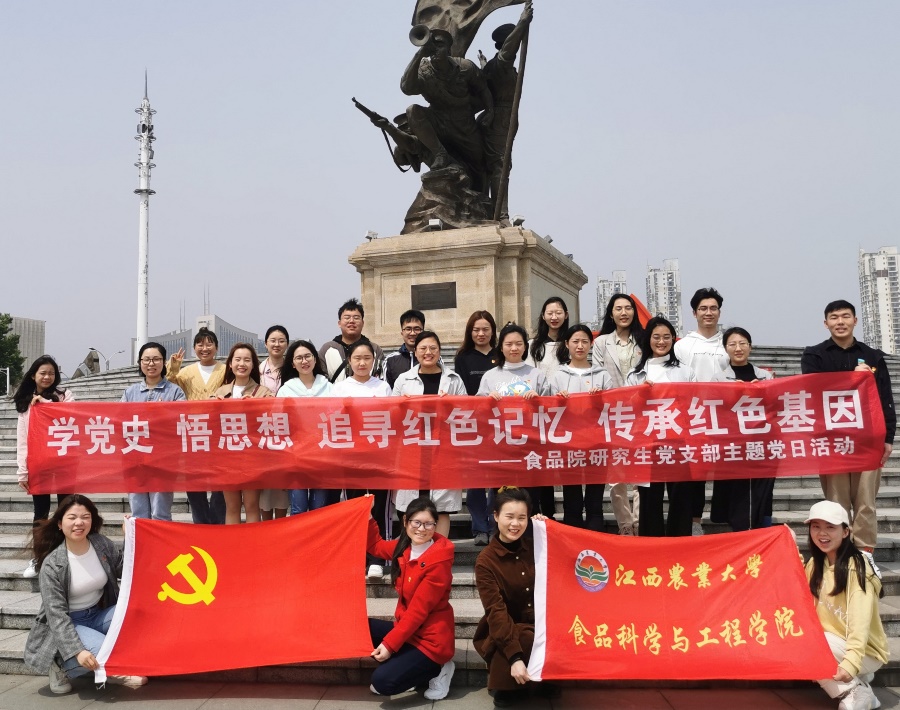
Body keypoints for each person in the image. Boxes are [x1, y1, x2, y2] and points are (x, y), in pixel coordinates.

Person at [23, 495, 147, 693]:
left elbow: (125, 569)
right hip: (70, 621)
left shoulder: (100, 544)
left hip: (98, 614)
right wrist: (78, 651)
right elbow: (57, 617)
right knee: (106, 654)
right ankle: (60, 662)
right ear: (60, 524)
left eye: (85, 517)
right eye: (72, 517)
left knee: (140, 613)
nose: (79, 522)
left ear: (92, 520)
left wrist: (129, 537)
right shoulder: (52, 565)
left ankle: (110, 665)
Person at [801, 300, 896, 553]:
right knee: (836, 501)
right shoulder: (814, 355)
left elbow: (885, 398)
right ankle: (839, 554)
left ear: (855, 320)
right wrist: (853, 378)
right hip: (832, 439)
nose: (840, 322)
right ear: (826, 323)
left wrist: (888, 437)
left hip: (869, 439)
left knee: (866, 501)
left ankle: (865, 552)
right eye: (834, 317)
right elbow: (812, 388)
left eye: (845, 316)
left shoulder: (873, 356)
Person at [366, 495, 456, 701]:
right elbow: (376, 547)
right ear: (406, 521)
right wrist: (368, 515)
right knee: (361, 627)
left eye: (428, 524)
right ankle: (408, 667)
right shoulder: (404, 547)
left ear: (436, 525)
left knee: (382, 682)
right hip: (408, 632)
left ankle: (439, 668)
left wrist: (389, 646)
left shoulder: (439, 561)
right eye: (416, 522)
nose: (422, 529)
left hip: (431, 641)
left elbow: (417, 612)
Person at [473, 487, 556, 707]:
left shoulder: (537, 547)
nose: (515, 524)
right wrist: (515, 657)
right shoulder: (486, 561)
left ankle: (538, 677)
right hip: (505, 626)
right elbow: (496, 610)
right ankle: (511, 681)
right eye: (509, 516)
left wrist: (550, 531)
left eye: (522, 517)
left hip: (541, 624)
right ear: (496, 516)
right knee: (523, 637)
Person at [805, 500, 888, 710]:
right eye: (816, 526)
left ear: (845, 532)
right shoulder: (815, 564)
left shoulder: (857, 568)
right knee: (798, 639)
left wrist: (851, 662)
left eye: (830, 527)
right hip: (835, 642)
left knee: (808, 644)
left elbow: (860, 622)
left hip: (865, 651)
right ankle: (858, 683)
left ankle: (855, 692)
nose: (822, 533)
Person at [393, 331, 466, 537]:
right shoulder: (403, 380)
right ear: (415, 352)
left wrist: (450, 404)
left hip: (442, 450)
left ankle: (438, 552)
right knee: (411, 506)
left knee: (441, 507)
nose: (428, 352)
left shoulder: (453, 379)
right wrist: (402, 405)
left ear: (439, 351)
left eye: (433, 348)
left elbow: (466, 413)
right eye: (423, 348)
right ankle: (413, 551)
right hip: (413, 449)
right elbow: (392, 415)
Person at [627, 317, 695, 537]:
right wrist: (639, 393)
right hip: (648, 443)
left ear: (673, 339)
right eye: (656, 337)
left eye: (667, 337)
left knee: (681, 496)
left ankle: (680, 542)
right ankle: (651, 545)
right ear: (648, 339)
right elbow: (627, 409)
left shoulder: (685, 372)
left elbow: (694, 404)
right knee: (649, 499)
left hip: (678, 442)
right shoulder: (635, 374)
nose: (661, 341)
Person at [478, 323, 552, 518]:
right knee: (502, 501)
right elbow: (477, 412)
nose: (514, 348)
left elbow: (552, 410)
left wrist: (539, 400)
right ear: (501, 347)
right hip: (501, 448)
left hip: (530, 447)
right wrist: (486, 401)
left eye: (519, 344)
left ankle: (531, 536)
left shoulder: (536, 375)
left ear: (525, 346)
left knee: (530, 501)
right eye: (509, 344)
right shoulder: (490, 376)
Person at [334, 341, 394, 580]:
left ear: (373, 360)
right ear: (349, 361)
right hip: (350, 458)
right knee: (355, 507)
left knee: (379, 507)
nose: (362, 363)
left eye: (367, 358)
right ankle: (358, 557)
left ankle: (378, 559)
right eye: (357, 358)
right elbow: (329, 418)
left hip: (379, 457)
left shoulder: (383, 387)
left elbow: (393, 417)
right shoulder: (339, 388)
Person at [709, 327, 775, 532]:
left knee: (763, 493)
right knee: (736, 494)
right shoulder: (718, 379)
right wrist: (732, 395)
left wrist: (761, 392)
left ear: (750, 346)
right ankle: (740, 535)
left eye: (742, 343)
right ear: (725, 349)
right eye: (732, 344)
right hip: (733, 446)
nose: (738, 348)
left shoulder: (766, 376)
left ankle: (762, 532)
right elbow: (714, 411)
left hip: (761, 444)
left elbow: (776, 408)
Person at [674, 287, 728, 536]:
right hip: (692, 417)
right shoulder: (682, 346)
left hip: (724, 417)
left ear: (719, 312)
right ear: (694, 313)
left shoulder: (729, 344)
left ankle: (725, 517)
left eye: (713, 308)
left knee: (728, 468)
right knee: (695, 472)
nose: (709, 313)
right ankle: (695, 520)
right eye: (703, 308)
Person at [15, 355, 74, 579]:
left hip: (65, 462)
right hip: (39, 464)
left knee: (66, 509)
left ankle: (68, 554)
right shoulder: (25, 401)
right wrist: (23, 470)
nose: (47, 377)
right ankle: (39, 557)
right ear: (33, 375)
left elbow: (71, 416)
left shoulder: (65, 395)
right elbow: (23, 438)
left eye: (51, 373)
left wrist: (45, 405)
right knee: (40, 512)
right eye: (43, 373)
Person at [550, 325, 612, 529]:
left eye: (585, 341)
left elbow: (614, 407)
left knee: (595, 499)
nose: (580, 346)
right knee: (572, 498)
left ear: (591, 344)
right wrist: (557, 400)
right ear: (566, 344)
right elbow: (547, 410)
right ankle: (573, 538)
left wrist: (602, 399)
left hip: (597, 443)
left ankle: (595, 537)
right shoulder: (558, 376)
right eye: (575, 341)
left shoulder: (602, 375)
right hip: (568, 444)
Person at [592, 293, 644, 535]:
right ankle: (625, 524)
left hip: (641, 413)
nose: (624, 313)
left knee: (641, 472)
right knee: (616, 475)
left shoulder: (643, 339)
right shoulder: (601, 343)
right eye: (618, 308)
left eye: (628, 308)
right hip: (612, 414)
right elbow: (597, 374)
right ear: (611, 314)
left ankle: (639, 522)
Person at [167, 327, 227, 525]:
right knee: (194, 480)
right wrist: (174, 368)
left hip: (219, 431)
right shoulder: (186, 372)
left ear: (216, 347)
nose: (205, 348)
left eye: (209, 344)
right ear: (194, 348)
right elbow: (170, 386)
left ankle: (217, 521)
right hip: (194, 431)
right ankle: (200, 521)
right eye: (200, 344)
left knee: (221, 480)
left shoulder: (225, 369)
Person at [121, 342, 186, 522]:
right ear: (140, 363)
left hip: (163, 459)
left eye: (156, 359)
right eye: (147, 360)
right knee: (138, 512)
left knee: (160, 512)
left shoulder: (175, 392)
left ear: (164, 362)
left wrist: (161, 412)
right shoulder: (130, 392)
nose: (151, 364)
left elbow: (181, 421)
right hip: (135, 458)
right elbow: (120, 420)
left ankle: (160, 541)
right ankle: (141, 541)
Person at [481, 1, 533, 222]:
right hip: (500, 119)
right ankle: (500, 215)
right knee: (500, 165)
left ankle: (491, 210)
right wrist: (522, 23)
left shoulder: (498, 66)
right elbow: (508, 50)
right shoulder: (502, 64)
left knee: (497, 165)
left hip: (506, 117)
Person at [212, 343, 274, 525]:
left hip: (253, 456)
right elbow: (208, 422)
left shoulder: (263, 392)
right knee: (231, 506)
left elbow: (274, 418)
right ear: (230, 364)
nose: (242, 364)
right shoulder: (220, 392)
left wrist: (256, 406)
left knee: (252, 505)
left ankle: (252, 543)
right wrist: (214, 407)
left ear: (253, 365)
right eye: (237, 359)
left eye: (247, 360)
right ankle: (233, 543)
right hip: (227, 456)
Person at [455, 310, 500, 546]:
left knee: (497, 480)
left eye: (485, 329)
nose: (481, 333)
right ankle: (480, 528)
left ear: (493, 331)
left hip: (500, 426)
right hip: (473, 425)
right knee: (475, 481)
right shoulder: (463, 357)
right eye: (476, 330)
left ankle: (495, 524)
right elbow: (462, 392)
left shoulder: (501, 355)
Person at [277, 340, 338, 514]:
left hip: (323, 456)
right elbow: (279, 423)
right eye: (299, 358)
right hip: (295, 456)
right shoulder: (285, 390)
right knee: (299, 507)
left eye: (307, 356)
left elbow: (337, 418)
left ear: (315, 359)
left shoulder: (330, 388)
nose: (304, 361)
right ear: (292, 363)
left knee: (319, 507)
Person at [258, 325, 290, 521]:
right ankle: (266, 527)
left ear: (287, 344)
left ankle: (281, 526)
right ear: (266, 344)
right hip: (263, 431)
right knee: (266, 484)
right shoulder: (258, 369)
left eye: (281, 341)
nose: (277, 344)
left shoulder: (293, 368)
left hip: (288, 431)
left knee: (283, 484)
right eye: (273, 340)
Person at [318, 298, 385, 384]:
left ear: (363, 323)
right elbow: (321, 380)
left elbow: (380, 377)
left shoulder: (375, 349)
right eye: (347, 318)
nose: (351, 321)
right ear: (339, 323)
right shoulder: (327, 349)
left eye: (356, 318)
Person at [385, 309, 425, 389]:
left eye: (417, 329)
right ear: (402, 333)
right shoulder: (390, 360)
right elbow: (386, 390)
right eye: (408, 329)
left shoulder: (432, 358)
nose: (412, 333)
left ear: (423, 331)